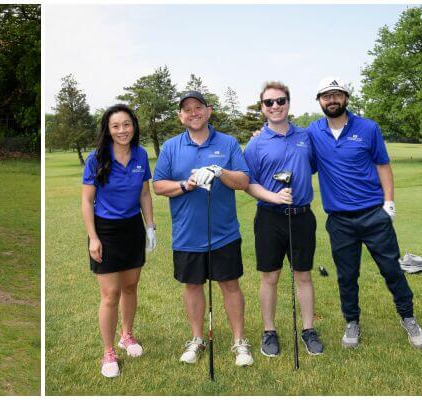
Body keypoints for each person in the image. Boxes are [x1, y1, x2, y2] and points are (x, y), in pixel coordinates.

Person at [305, 77, 422, 350]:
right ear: (319, 101)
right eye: (326, 96)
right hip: (339, 220)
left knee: (392, 270)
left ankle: (408, 317)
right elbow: (299, 154)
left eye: (337, 95)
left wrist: (389, 203)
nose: (332, 100)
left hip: (374, 215)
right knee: (346, 276)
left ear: (346, 98)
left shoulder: (368, 128)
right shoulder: (313, 132)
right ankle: (352, 321)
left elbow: (383, 166)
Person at [152, 91, 255, 367]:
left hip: (224, 233)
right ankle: (197, 338)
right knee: (193, 286)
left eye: (198, 107)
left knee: (230, 285)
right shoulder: (171, 146)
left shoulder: (228, 143)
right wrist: (187, 184)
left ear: (209, 111)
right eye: (187, 109)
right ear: (180, 116)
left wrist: (220, 172)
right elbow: (159, 185)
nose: (193, 113)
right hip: (187, 234)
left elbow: (243, 181)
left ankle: (239, 341)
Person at [242, 81, 325, 357]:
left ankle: (308, 329)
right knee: (270, 276)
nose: (275, 106)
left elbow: (312, 166)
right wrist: (273, 197)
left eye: (280, 101)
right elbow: (248, 183)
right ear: (262, 108)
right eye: (269, 103)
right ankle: (269, 332)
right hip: (269, 217)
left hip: (302, 216)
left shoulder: (305, 137)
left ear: (288, 103)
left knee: (303, 275)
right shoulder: (255, 144)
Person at [82, 104, 157, 378]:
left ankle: (127, 336)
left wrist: (150, 227)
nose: (122, 130)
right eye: (116, 126)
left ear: (133, 126)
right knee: (110, 294)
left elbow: (145, 195)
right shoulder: (96, 158)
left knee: (130, 286)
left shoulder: (140, 155)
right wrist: (93, 238)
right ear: (108, 130)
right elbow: (87, 200)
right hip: (106, 231)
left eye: (126, 124)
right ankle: (109, 351)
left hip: (132, 229)